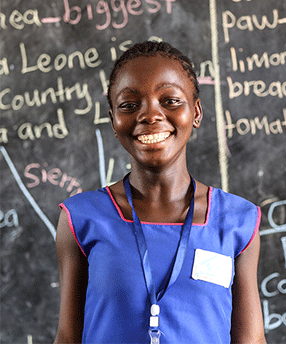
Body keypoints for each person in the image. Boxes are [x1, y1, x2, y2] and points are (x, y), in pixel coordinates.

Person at [54, 41, 266, 344]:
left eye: (170, 100)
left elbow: (252, 340)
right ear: (114, 120)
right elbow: (67, 338)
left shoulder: (238, 221)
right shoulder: (80, 219)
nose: (150, 115)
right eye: (129, 105)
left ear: (195, 112)